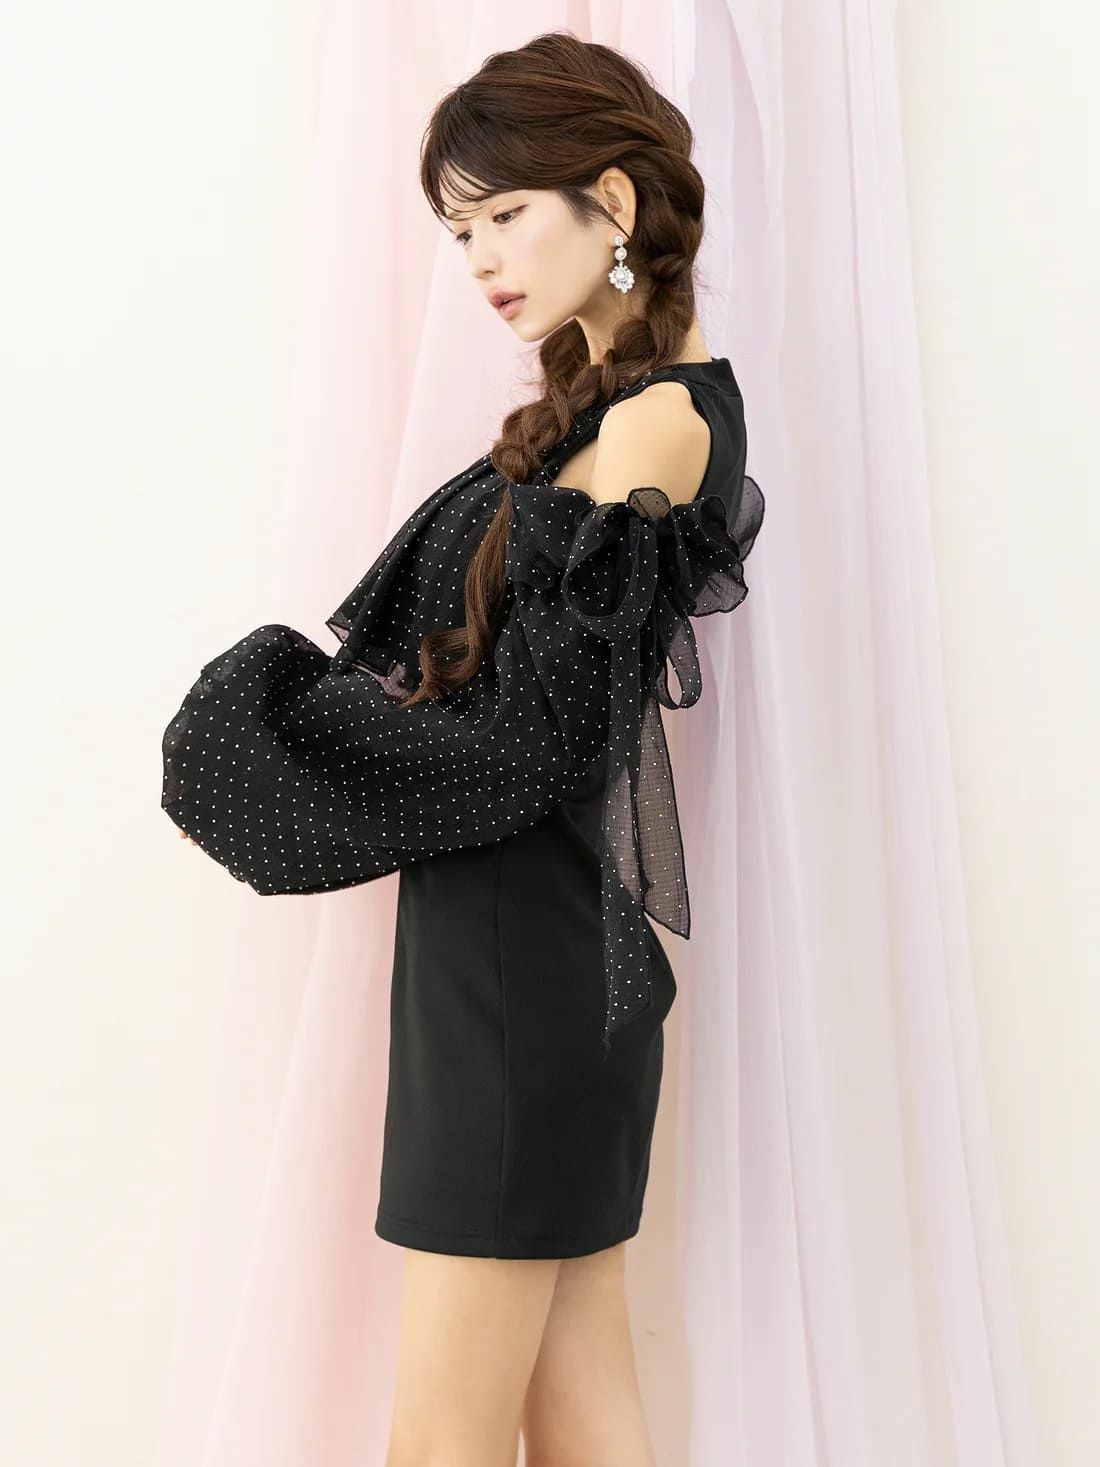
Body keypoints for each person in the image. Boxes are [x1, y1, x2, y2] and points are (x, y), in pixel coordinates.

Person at [164, 31, 764, 1467]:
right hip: (529, 954)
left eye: (502, 214)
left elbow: (534, 746)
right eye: (459, 231)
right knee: (583, 1404)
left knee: (442, 1441)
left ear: (611, 203)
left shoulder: (656, 425)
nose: (482, 259)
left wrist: (279, 740)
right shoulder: (616, 412)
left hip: (521, 972)